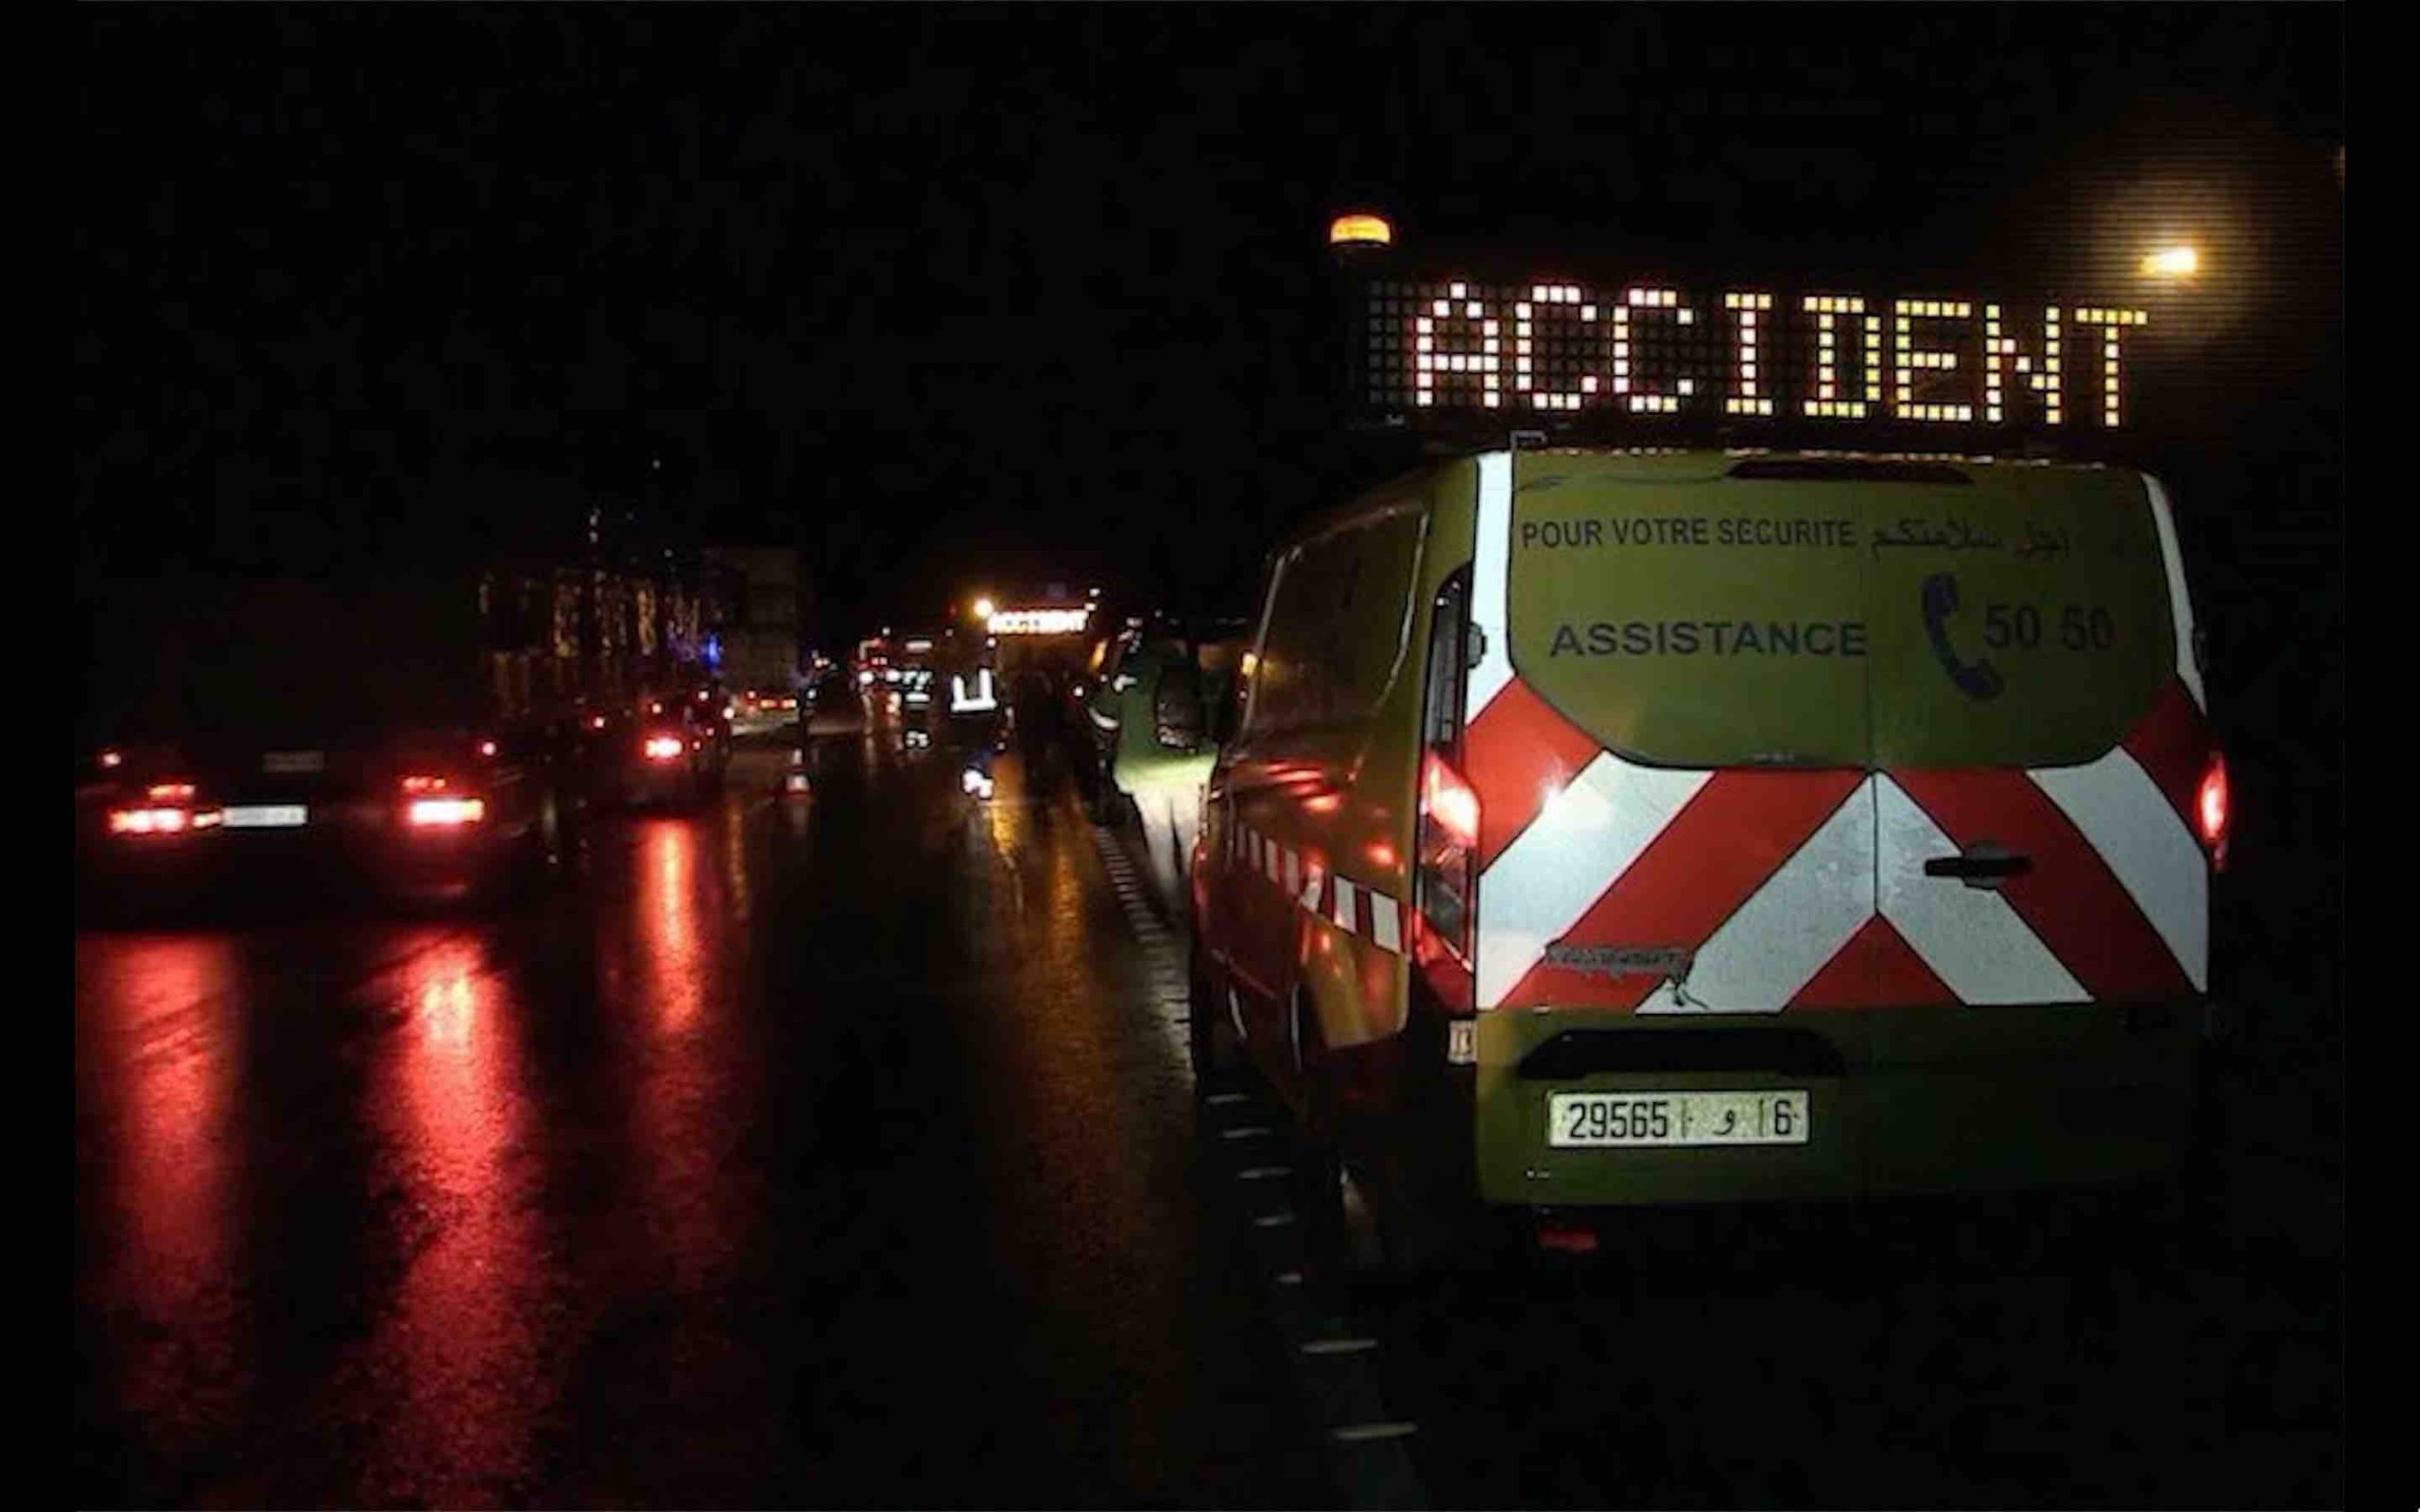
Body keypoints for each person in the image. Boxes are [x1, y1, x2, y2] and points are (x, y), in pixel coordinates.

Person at [1089, 622, 1217, 908]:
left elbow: (1102, 717)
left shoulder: (1127, 676)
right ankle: (1195, 903)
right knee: (1191, 834)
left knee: (1159, 836)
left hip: (1143, 769)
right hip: (1191, 765)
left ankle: (1173, 905)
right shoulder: (1189, 670)